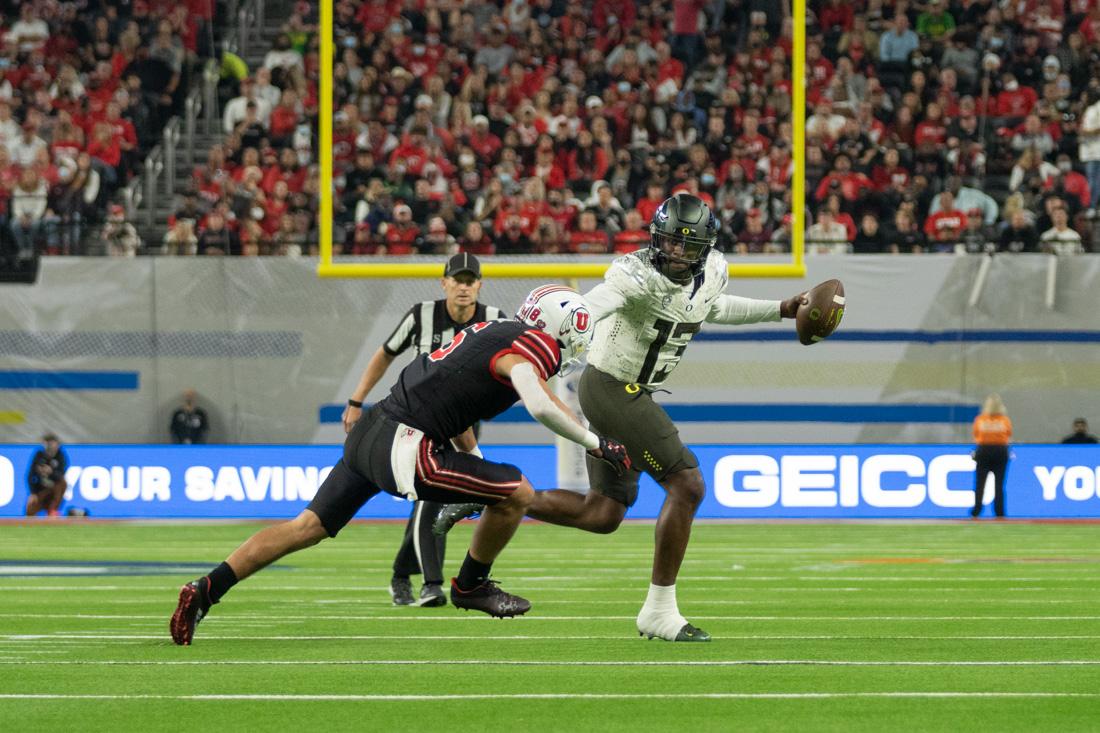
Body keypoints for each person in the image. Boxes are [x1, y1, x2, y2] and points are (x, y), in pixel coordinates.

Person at [169, 285, 630, 645]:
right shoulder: (532, 345)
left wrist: (475, 474)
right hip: (405, 444)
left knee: (304, 527)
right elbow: (541, 404)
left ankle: (206, 589)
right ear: (563, 327)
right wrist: (594, 443)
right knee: (517, 491)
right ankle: (470, 586)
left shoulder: (492, 334)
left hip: (374, 430)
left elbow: (458, 413)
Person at [437, 194, 806, 642]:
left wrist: (782, 309)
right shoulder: (633, 276)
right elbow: (591, 306)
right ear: (655, 239)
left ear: (704, 249)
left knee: (603, 513)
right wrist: (560, 325)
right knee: (687, 484)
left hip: (628, 390)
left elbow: (714, 307)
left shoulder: (711, 273)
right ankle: (660, 611)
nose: (676, 254)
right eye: (669, 243)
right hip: (612, 388)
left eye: (687, 248)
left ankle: (498, 496)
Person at [342, 253, 507, 608]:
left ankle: (402, 574)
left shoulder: (494, 320)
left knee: (433, 497)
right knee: (431, 496)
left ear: (479, 285)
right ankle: (431, 583)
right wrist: (357, 400)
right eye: (457, 280)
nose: (463, 287)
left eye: (470, 280)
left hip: (463, 423)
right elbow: (385, 353)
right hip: (418, 421)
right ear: (443, 283)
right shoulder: (421, 315)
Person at [971, 394, 1012, 518]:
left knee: (980, 483)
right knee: (999, 484)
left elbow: (976, 435)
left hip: (984, 450)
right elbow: (1008, 435)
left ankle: (977, 510)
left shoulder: (981, 419)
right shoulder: (1004, 420)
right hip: (1000, 451)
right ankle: (999, 511)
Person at [26, 433, 67, 517]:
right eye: (48, 444)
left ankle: (52, 510)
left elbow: (60, 475)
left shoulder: (60, 456)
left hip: (54, 490)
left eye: (53, 444)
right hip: (41, 490)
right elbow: (30, 475)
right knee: (30, 510)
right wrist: (33, 493)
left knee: (62, 483)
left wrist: (50, 472)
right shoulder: (39, 455)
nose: (51, 447)